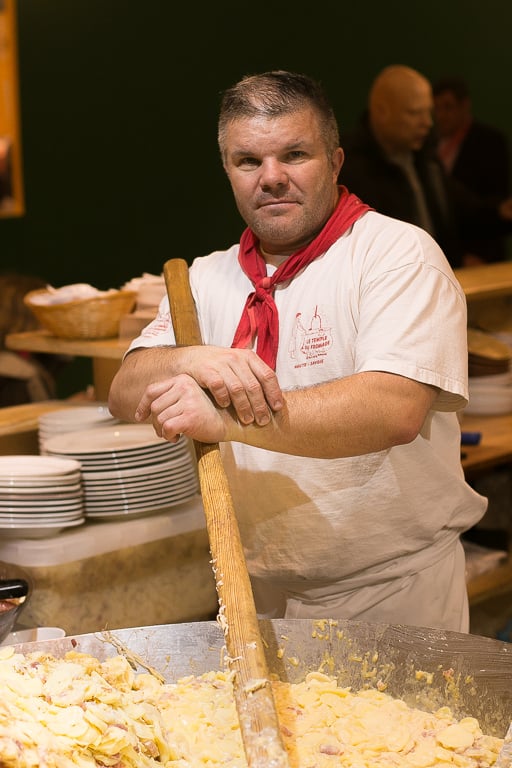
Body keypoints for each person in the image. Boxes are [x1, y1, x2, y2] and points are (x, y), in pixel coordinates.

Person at [108, 69, 487, 632]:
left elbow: (394, 409)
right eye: (248, 161)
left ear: (335, 162)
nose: (272, 178)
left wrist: (227, 419)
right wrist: (191, 358)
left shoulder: (395, 255)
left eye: (295, 154)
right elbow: (124, 391)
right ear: (227, 172)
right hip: (255, 592)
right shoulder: (206, 279)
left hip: (393, 595)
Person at [338, 65, 512, 268]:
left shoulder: (425, 160)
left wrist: (501, 211)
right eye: (414, 113)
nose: (428, 123)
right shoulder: (350, 169)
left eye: (429, 112)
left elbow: (462, 208)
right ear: (382, 112)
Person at [433, 75, 511, 263]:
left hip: (482, 253)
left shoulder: (489, 141)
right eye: (436, 109)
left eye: (448, 107)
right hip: (444, 251)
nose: (441, 115)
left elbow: (494, 200)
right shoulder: (428, 144)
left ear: (464, 106)